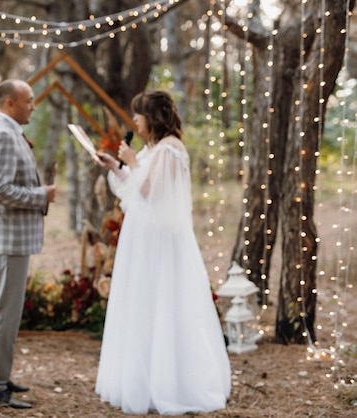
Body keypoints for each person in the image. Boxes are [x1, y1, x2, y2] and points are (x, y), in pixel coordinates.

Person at [94, 89, 231, 415]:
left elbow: (153, 193)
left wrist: (133, 161)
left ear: (153, 117)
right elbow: (136, 188)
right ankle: (142, 379)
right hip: (142, 237)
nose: (135, 121)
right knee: (142, 302)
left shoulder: (170, 149)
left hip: (161, 242)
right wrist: (117, 166)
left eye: (139, 115)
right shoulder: (152, 149)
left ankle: (174, 383)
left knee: (165, 302)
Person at [0, 79, 56, 409]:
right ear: (9, 103)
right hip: (6, 241)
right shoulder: (3, 135)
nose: (33, 106)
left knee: (7, 314)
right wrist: (41, 195)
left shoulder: (7, 131)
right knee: (3, 315)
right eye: (29, 100)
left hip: (10, 239)